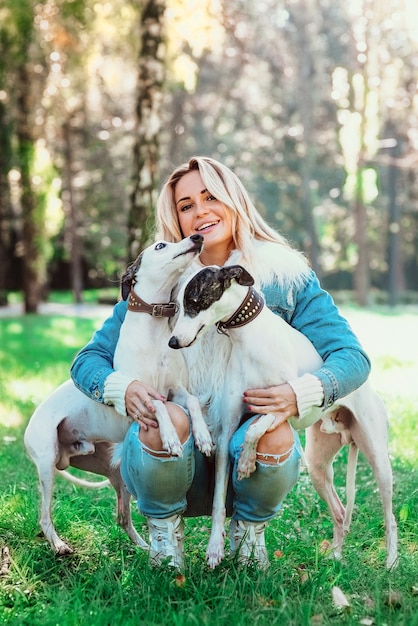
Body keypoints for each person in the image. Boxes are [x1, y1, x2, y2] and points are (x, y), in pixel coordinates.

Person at [70, 156, 370, 569]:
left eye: (210, 197)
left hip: (246, 456)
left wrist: (297, 395)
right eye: (186, 205)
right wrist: (124, 388)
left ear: (234, 200)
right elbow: (88, 362)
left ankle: (248, 534)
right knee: (165, 420)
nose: (200, 212)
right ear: (176, 218)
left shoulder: (284, 276)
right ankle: (164, 534)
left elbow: (352, 358)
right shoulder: (161, 281)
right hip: (177, 456)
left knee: (275, 433)